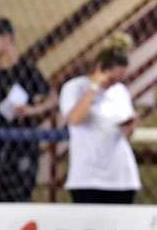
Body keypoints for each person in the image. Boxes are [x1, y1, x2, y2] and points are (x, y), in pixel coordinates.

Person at [0, 17, 56, 202]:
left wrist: (32, 110)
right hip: (0, 140)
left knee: (22, 191)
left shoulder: (26, 69)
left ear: (8, 39)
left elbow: (53, 98)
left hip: (24, 139)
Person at [59, 34, 141, 204]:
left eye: (118, 80)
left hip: (120, 178)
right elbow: (75, 119)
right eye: (111, 79)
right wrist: (94, 87)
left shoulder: (120, 92)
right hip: (87, 177)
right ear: (100, 67)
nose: (113, 84)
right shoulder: (75, 88)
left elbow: (125, 134)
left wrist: (130, 125)